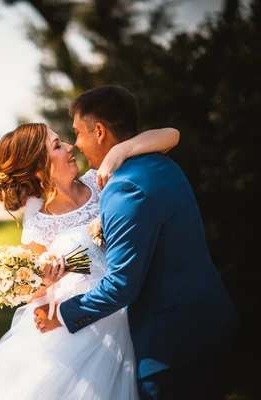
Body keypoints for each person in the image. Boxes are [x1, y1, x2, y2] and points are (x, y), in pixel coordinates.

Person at [0, 121, 180, 400]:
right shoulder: (39, 225)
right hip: (83, 331)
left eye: (62, 141)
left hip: (133, 307)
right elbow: (37, 304)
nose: (70, 147)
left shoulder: (101, 180)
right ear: (40, 169)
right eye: (57, 146)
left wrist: (119, 152)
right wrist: (47, 280)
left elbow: (170, 135)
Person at [34, 85, 240, 399]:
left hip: (172, 341)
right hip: (211, 319)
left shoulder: (122, 189)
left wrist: (60, 315)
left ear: (99, 131)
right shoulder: (160, 164)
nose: (75, 143)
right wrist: (121, 151)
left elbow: (122, 285)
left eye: (77, 132)